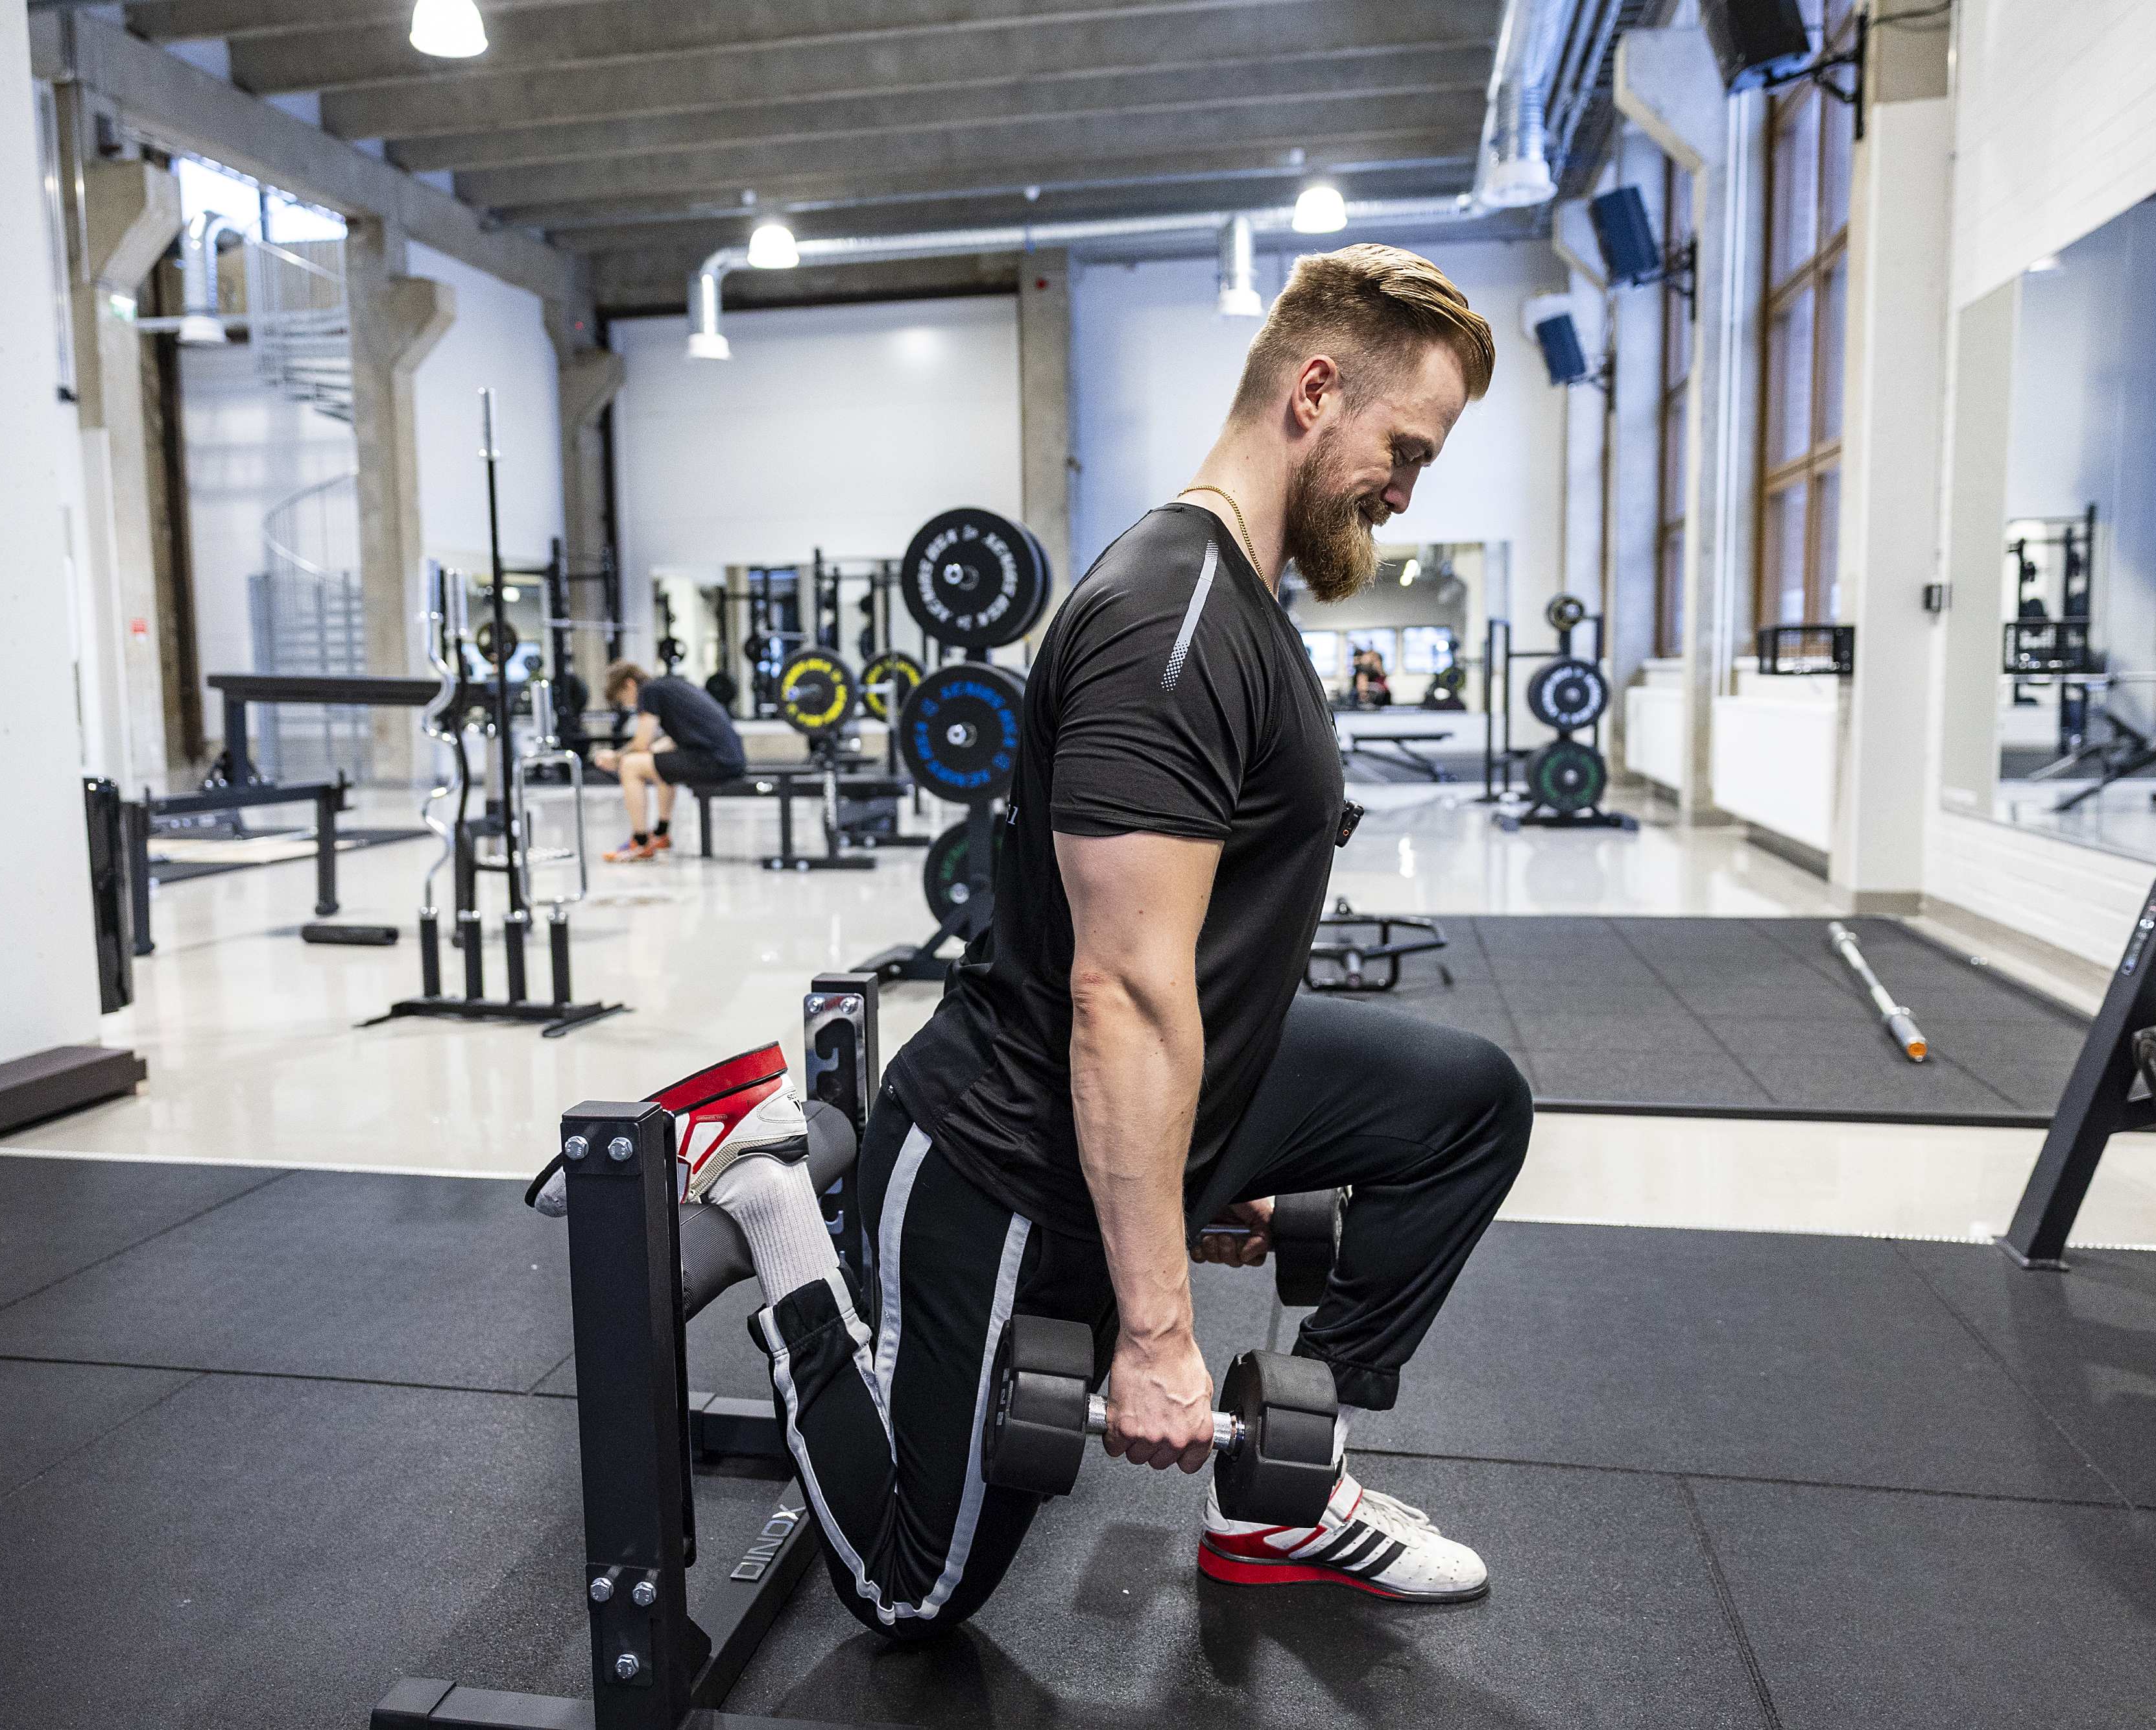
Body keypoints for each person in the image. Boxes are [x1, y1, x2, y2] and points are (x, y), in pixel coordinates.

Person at [691, 244, 1532, 1633]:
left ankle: (1276, 1502)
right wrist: (1154, 1333)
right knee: (913, 1591)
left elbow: (1210, 956)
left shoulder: (1243, 598)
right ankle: (780, 1207)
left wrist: (1226, 1162)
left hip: (1167, 1089)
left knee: (1462, 1110)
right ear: (1313, 392)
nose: (1402, 488)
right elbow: (1125, 998)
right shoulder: (1172, 622)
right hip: (1005, 1151)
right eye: (1404, 449)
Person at [593, 659, 745, 861]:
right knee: (658, 762)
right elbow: (676, 738)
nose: (628, 706)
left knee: (630, 767)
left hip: (714, 761)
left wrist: (616, 757)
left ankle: (640, 842)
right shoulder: (669, 685)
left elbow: (641, 742)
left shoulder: (648, 691)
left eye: (623, 699)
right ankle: (661, 834)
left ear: (629, 684)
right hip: (729, 758)